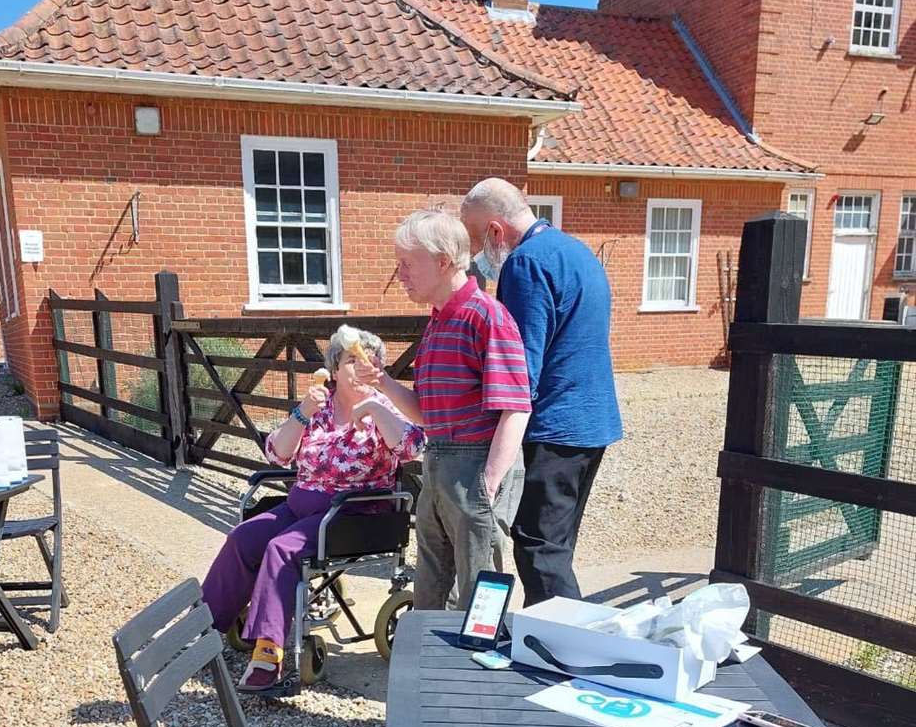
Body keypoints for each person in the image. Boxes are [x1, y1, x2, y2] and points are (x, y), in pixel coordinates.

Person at [201, 326, 424, 691]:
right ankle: (205, 629)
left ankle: (268, 655)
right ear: (334, 369)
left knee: (282, 549)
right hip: (300, 508)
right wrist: (302, 412)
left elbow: (413, 447)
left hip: (354, 515)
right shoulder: (318, 408)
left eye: (372, 360)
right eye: (354, 359)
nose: (365, 366)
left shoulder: (384, 408)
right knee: (243, 538)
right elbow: (277, 453)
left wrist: (374, 408)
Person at [355, 209, 531, 611]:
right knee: (431, 583)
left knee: (481, 588)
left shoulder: (487, 316)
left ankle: (479, 667)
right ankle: (430, 663)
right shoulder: (438, 323)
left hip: (476, 463)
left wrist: (487, 483)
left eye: (406, 263)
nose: (399, 273)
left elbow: (516, 408)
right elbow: (425, 414)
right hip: (438, 460)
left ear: (442, 260)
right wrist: (381, 381)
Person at [461, 178, 622, 605]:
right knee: (556, 544)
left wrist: (485, 433)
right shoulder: (575, 250)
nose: (479, 254)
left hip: (558, 425)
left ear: (496, 230)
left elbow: (519, 368)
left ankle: (560, 653)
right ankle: (559, 641)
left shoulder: (525, 263)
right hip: (593, 421)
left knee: (538, 546)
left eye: (478, 238)